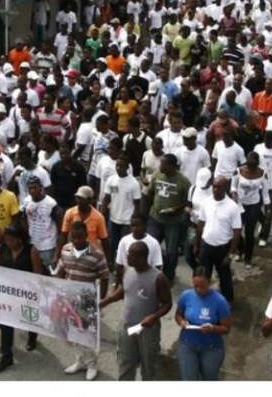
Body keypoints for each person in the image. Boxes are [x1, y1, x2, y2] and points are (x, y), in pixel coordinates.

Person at [100, 240, 172, 381]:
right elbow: (123, 290)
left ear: (141, 258)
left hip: (147, 330)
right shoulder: (128, 270)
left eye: (130, 255)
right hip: (126, 325)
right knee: (125, 362)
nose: (127, 258)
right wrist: (105, 301)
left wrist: (153, 317)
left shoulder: (158, 278)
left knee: (149, 366)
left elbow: (167, 304)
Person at [57, 220, 109, 380]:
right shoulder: (65, 250)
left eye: (80, 237)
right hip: (69, 300)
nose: (77, 241)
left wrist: (100, 301)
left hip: (87, 302)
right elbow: (61, 270)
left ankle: (92, 364)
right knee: (72, 334)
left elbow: (105, 277)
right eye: (74, 238)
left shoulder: (97, 255)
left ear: (86, 236)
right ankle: (79, 361)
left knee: (86, 335)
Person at [0, 225, 41, 373]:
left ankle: (32, 337)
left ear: (20, 239)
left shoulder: (32, 251)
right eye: (6, 239)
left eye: (11, 240)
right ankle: (6, 357)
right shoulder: (1, 249)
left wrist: (33, 292)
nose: (8, 242)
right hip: (7, 293)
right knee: (6, 324)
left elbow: (37, 274)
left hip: (27, 293)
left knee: (30, 318)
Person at [175, 266, 232, 381]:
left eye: (203, 287)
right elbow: (178, 314)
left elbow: (226, 328)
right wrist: (181, 321)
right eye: (196, 286)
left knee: (209, 379)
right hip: (187, 344)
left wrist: (212, 328)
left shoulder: (220, 301)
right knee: (188, 379)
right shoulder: (186, 296)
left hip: (211, 348)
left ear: (210, 283)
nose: (199, 290)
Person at [194, 176, 241, 302]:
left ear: (226, 188)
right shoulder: (206, 202)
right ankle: (203, 299)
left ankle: (228, 301)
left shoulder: (232, 207)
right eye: (214, 186)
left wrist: (230, 254)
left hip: (223, 248)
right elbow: (201, 223)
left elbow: (237, 231)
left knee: (224, 277)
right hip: (206, 245)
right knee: (203, 275)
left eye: (219, 187)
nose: (215, 189)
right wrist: (196, 244)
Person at [145, 153, 190, 282]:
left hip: (173, 222)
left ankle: (168, 276)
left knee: (171, 252)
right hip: (155, 218)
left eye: (163, 164)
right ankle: (151, 272)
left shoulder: (184, 182)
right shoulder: (157, 175)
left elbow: (188, 203)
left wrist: (177, 210)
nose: (160, 166)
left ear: (171, 166)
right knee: (151, 246)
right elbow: (150, 193)